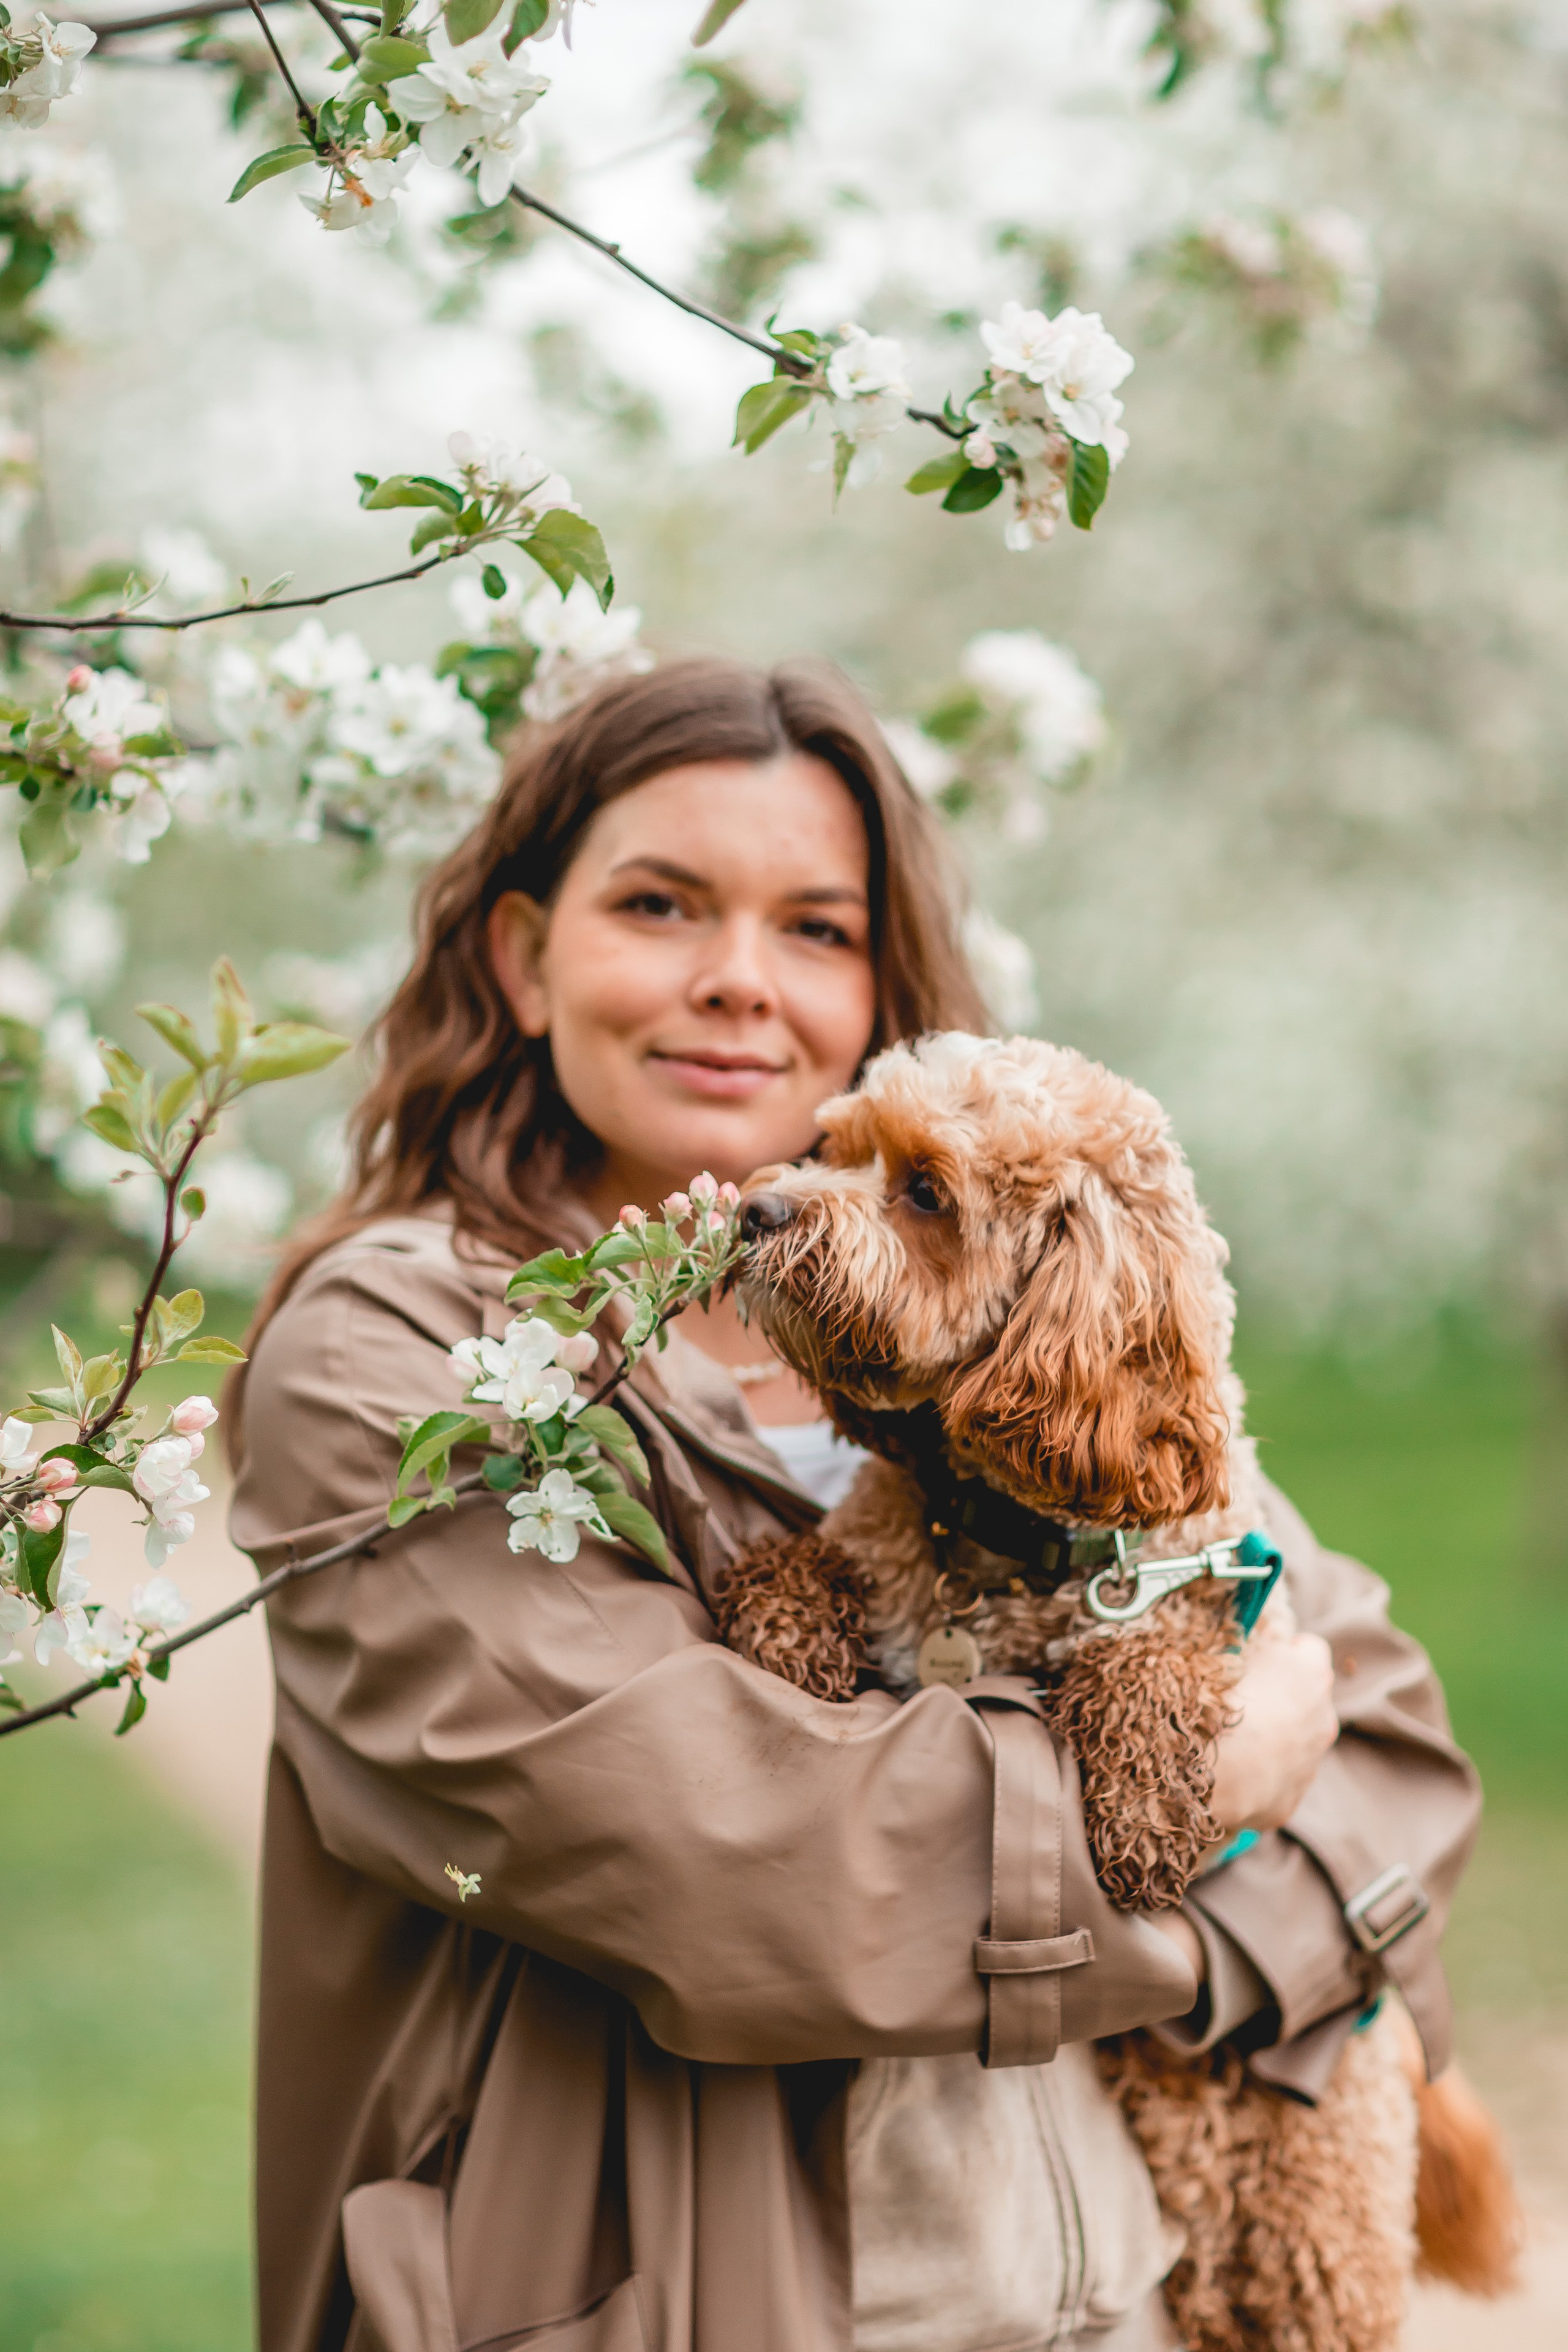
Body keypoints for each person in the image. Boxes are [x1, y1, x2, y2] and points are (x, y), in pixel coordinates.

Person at [230, 657, 1479, 2352]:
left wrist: (1219, 1883)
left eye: (816, 928)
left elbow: (1383, 1737)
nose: (739, 980)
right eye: (660, 905)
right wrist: (1208, 1827)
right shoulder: (406, 1360)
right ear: (524, 958)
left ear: (883, 985)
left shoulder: (994, 1359)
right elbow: (729, 1872)